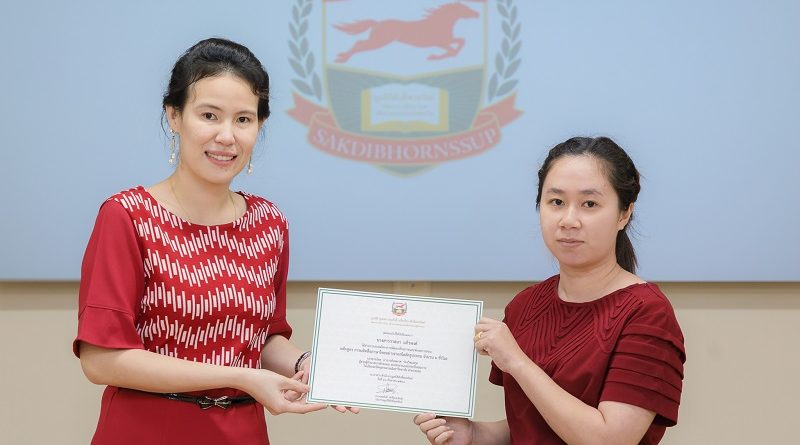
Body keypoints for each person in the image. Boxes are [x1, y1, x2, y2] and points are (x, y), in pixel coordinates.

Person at [73, 38, 353, 445]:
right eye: (209, 115)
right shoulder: (128, 216)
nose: (226, 136)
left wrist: (307, 363)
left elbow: (263, 338)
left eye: (244, 119)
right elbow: (101, 360)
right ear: (174, 115)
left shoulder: (269, 223)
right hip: (147, 431)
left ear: (260, 126)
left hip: (243, 432)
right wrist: (241, 377)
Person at [415, 137, 686, 445]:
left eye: (589, 204)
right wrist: (475, 434)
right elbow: (532, 425)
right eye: (556, 202)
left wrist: (518, 361)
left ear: (624, 214)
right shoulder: (525, 306)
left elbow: (609, 439)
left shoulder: (647, 312)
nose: (569, 220)